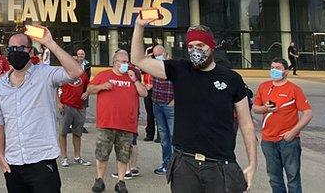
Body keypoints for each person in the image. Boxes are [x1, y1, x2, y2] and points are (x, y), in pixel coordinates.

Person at [130, 20, 257, 193]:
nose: (195, 50)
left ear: (212, 46)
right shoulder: (180, 69)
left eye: (200, 45)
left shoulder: (231, 78)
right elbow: (138, 59)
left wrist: (252, 163)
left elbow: (246, 123)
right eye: (190, 46)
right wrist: (139, 26)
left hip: (219, 164)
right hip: (185, 163)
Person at [0, 25, 84, 192]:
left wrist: (50, 43)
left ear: (30, 51)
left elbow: (76, 71)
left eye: (21, 47)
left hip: (42, 162)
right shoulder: (0, 85)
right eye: (11, 48)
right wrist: (0, 154)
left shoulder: (45, 75)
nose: (15, 51)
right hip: (13, 163)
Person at [87, 49, 148, 193]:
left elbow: (144, 93)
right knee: (102, 153)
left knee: (123, 154)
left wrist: (135, 80)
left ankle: (121, 181)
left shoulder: (132, 77)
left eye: (127, 62)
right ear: (115, 63)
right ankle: (99, 179)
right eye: (123, 62)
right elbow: (90, 88)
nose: (126, 65)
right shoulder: (104, 75)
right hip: (106, 122)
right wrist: (102, 86)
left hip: (127, 124)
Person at [252, 58, 312, 193]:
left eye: (278, 68)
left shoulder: (294, 89)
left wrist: (293, 132)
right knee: (274, 177)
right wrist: (265, 108)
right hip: (268, 140)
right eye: (272, 67)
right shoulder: (264, 86)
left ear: (286, 71)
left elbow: (307, 113)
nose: (274, 70)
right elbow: (255, 108)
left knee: (293, 177)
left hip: (288, 140)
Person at [58, 60, 91, 168]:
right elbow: (54, 88)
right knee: (63, 132)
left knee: (77, 133)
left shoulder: (83, 74)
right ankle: (64, 157)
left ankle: (77, 157)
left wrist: (87, 92)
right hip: (66, 106)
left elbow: (88, 86)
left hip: (80, 107)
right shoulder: (62, 73)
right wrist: (58, 103)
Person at [149, 45, 175, 176]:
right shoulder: (154, 66)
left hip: (170, 107)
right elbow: (139, 63)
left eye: (159, 54)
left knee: (173, 136)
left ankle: (176, 166)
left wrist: (174, 101)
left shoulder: (173, 67)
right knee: (164, 137)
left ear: (166, 53)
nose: (157, 56)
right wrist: (149, 56)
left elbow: (182, 84)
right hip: (157, 105)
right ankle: (166, 164)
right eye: (155, 54)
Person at [142, 47, 157, 142]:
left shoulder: (158, 65)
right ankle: (149, 134)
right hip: (147, 90)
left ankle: (160, 135)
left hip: (156, 90)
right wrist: (145, 55)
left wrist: (153, 85)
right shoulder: (146, 66)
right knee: (149, 114)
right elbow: (140, 66)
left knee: (159, 114)